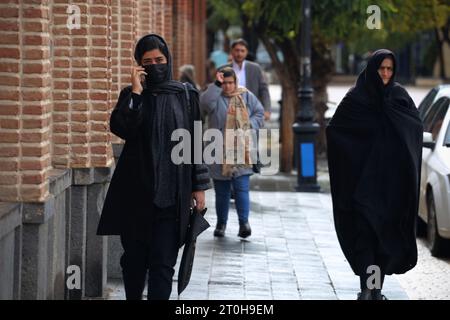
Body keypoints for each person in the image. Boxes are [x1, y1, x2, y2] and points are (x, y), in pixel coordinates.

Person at [96, 34, 211, 300]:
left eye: (159, 59)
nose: (155, 65)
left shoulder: (186, 95)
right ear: (139, 65)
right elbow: (122, 128)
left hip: (173, 197)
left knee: (162, 265)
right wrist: (136, 91)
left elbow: (195, 142)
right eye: (147, 61)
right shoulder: (132, 96)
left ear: (168, 60)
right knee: (134, 262)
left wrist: (199, 186)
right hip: (136, 195)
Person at [326, 49, 423, 300]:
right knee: (365, 237)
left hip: (391, 187)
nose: (386, 74)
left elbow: (414, 130)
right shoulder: (356, 99)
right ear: (373, 69)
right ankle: (367, 289)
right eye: (382, 69)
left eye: (390, 69)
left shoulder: (400, 97)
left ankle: (375, 290)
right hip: (361, 186)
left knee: (383, 239)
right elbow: (336, 132)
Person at [200, 67, 264, 239]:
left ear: (236, 82)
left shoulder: (246, 96)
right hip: (219, 152)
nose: (228, 86)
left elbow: (259, 113)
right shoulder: (215, 96)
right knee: (222, 192)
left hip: (242, 150)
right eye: (225, 83)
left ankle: (244, 223)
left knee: (242, 188)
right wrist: (216, 85)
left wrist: (247, 123)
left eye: (231, 83)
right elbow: (204, 104)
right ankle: (221, 224)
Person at [228, 38, 271, 121]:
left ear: (246, 52)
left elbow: (264, 90)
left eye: (242, 51)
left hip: (251, 112)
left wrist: (267, 110)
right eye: (237, 50)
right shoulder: (224, 69)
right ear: (232, 51)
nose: (239, 53)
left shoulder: (255, 69)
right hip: (230, 113)